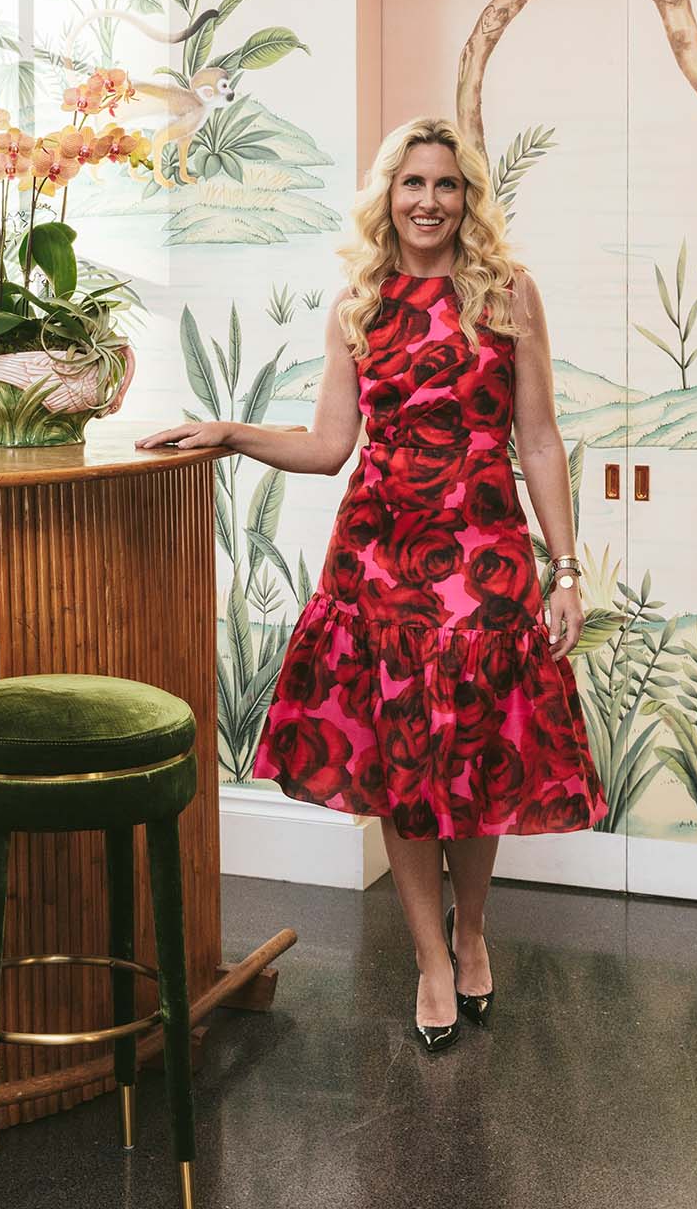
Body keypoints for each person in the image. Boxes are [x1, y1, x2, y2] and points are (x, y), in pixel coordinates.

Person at [135, 116, 608, 1053]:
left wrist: (564, 569)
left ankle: (473, 934)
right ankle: (432, 963)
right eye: (413, 184)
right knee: (402, 770)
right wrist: (229, 432)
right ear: (387, 196)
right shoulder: (357, 305)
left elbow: (540, 438)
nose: (429, 201)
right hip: (380, 561)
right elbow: (327, 446)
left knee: (479, 760)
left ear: (468, 198)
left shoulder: (507, 294)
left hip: (486, 557)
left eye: (448, 185)